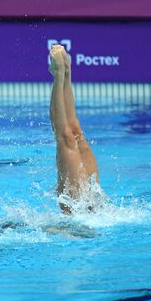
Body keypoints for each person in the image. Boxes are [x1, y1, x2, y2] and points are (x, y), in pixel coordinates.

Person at [48, 45, 100, 213]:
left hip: (94, 205)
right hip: (86, 210)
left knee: (71, 135)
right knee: (71, 136)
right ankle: (62, 73)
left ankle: (62, 74)